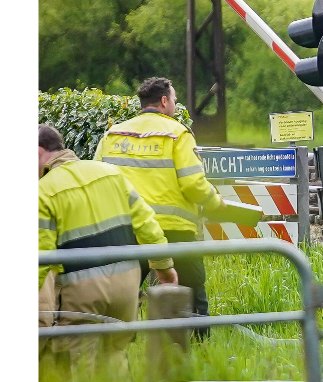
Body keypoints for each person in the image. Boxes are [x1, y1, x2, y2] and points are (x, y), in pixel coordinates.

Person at [95, 77, 231, 336]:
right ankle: (199, 349)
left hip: (126, 230)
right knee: (193, 294)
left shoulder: (112, 135)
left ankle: (120, 350)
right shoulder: (177, 134)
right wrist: (216, 202)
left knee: (124, 297)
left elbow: (97, 180)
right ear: (164, 101)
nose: (176, 105)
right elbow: (193, 184)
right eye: (175, 100)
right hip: (174, 231)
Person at [39, 124, 176, 372]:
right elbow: (147, 224)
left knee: (81, 365)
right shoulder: (110, 173)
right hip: (126, 285)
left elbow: (43, 257)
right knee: (115, 353)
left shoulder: (44, 191)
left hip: (82, 291)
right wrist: (164, 268)